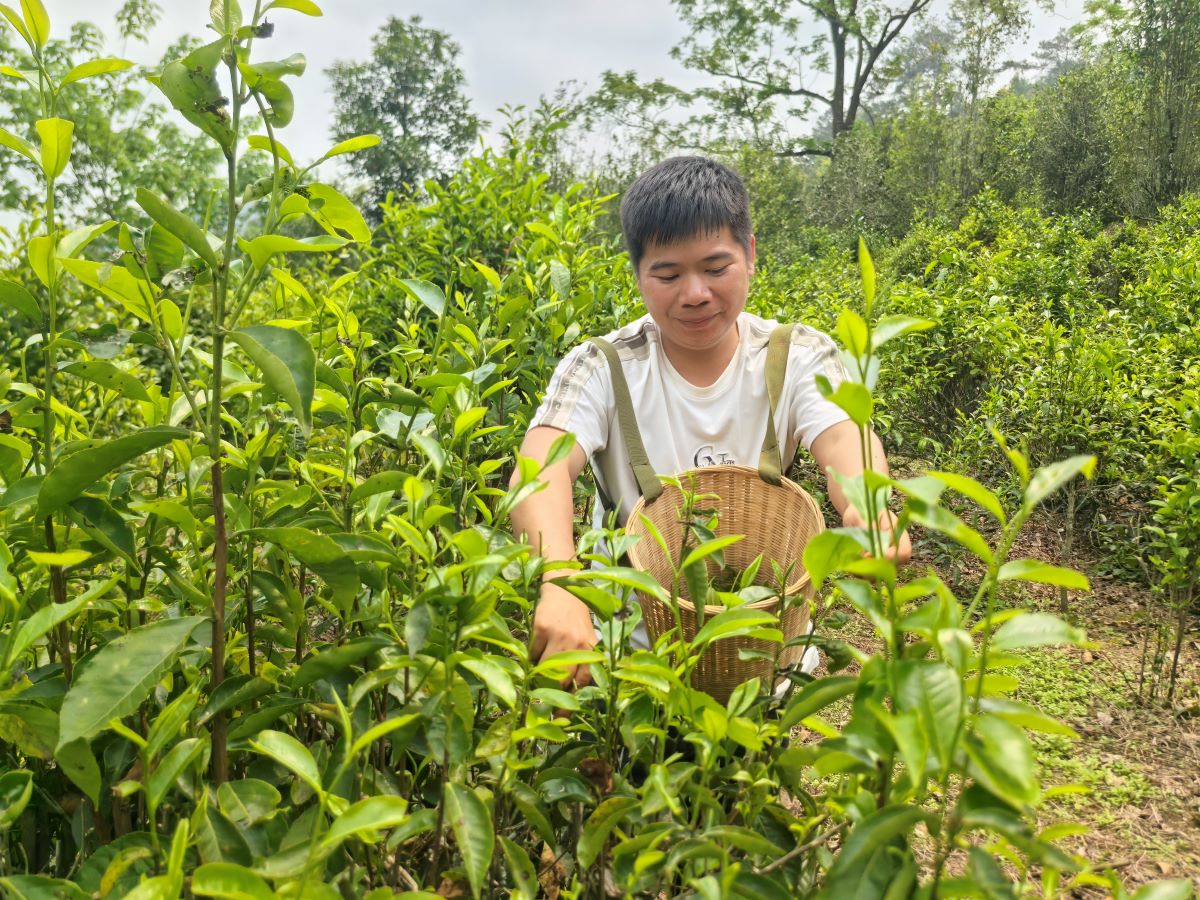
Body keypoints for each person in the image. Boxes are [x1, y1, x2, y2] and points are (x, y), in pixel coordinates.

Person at [510, 156, 911, 689]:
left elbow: (842, 436)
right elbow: (540, 468)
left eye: (716, 268)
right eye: (668, 274)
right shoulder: (602, 366)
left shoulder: (797, 354)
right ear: (637, 275)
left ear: (750, 254)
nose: (695, 293)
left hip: (766, 655)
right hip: (632, 664)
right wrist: (559, 582)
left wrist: (868, 509)